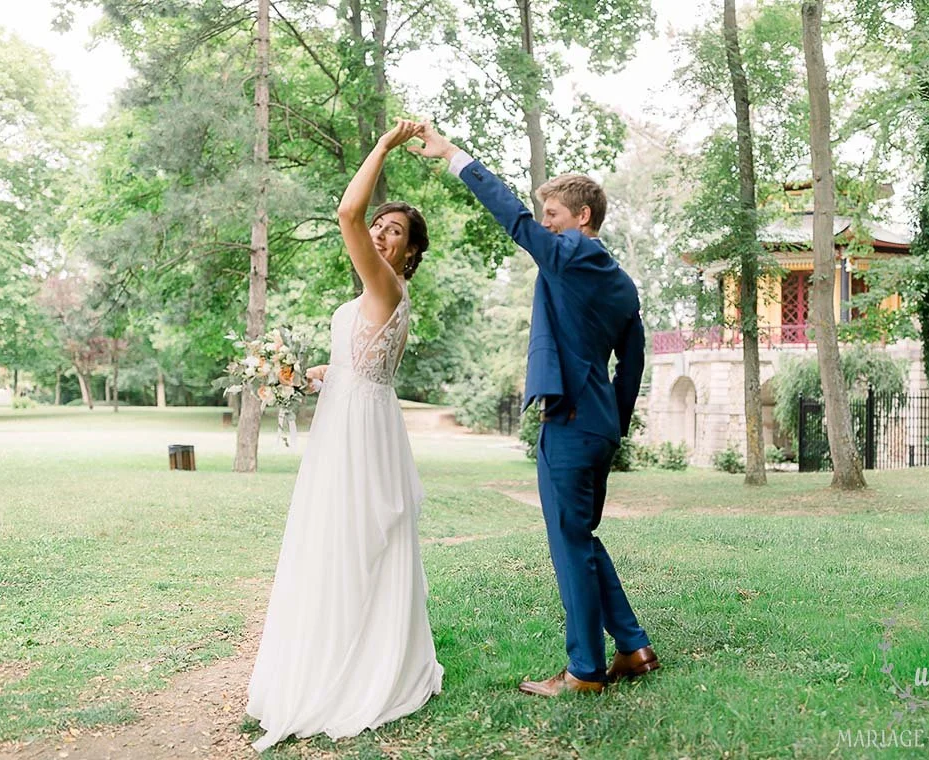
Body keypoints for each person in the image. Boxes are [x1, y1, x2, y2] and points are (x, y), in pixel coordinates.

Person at [411, 123, 660, 696]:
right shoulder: (622, 285)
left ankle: (583, 671)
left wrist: (453, 155)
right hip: (598, 425)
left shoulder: (570, 256)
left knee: (569, 543)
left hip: (570, 421)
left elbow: (515, 222)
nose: (543, 222)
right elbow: (634, 365)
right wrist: (614, 427)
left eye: (552, 213)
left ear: (581, 219)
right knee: (583, 536)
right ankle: (633, 646)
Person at [246, 120, 442, 751]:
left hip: (361, 434)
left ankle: (359, 666)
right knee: (337, 538)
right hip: (349, 417)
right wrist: (319, 373)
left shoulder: (387, 284)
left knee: (357, 540)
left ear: (408, 254)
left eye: (394, 232)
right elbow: (363, 362)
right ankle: (332, 645)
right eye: (380, 227)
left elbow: (345, 211)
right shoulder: (369, 297)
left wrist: (384, 146)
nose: (380, 233)